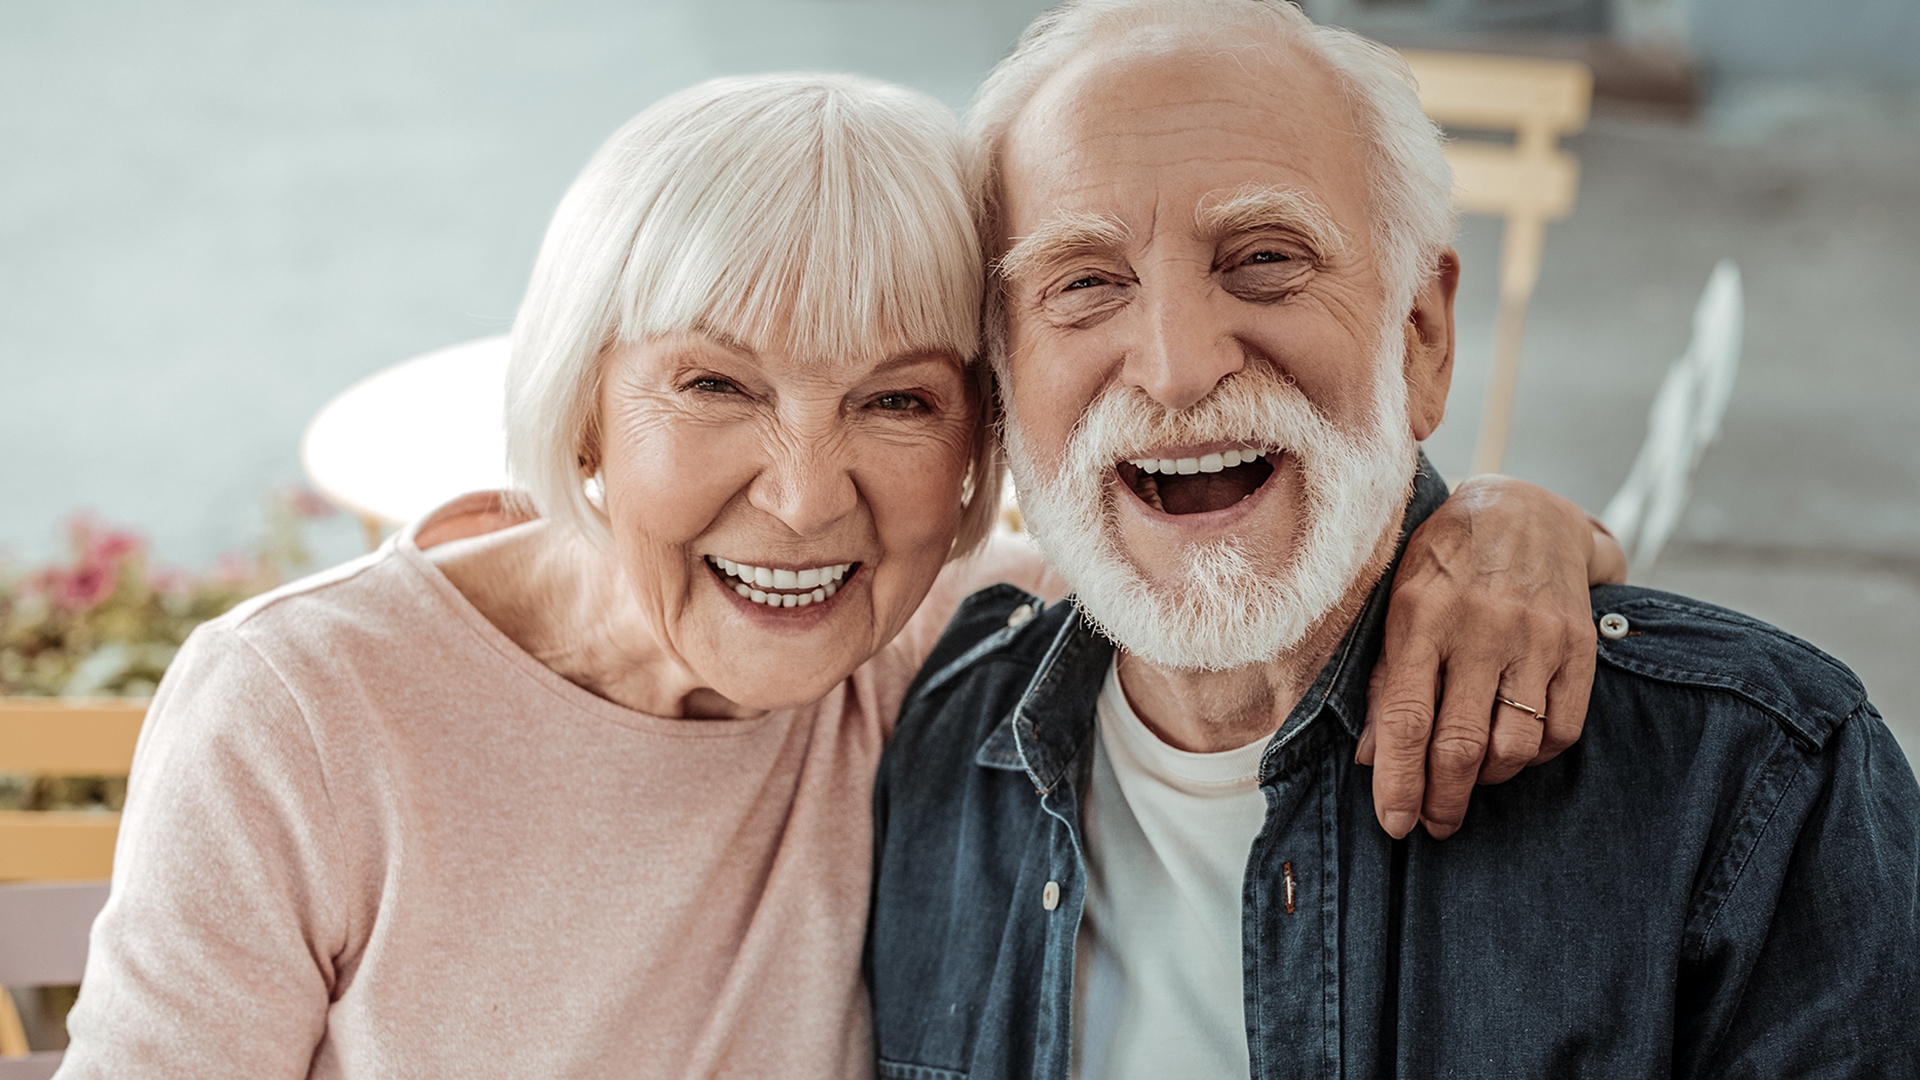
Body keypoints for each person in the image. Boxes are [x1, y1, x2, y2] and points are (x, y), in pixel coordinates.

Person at [59, 72, 1617, 1078]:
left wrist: (1503, 525)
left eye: (895, 402)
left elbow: (1236, 552)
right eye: (715, 388)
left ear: (979, 452)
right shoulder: (306, 712)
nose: (808, 502)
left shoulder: (941, 640)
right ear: (584, 404)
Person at [865, 3, 1920, 1078]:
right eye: (1085, 283)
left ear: (1421, 337)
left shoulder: (1751, 786)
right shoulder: (922, 744)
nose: (1177, 365)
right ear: (1000, 385)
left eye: (1264, 258)